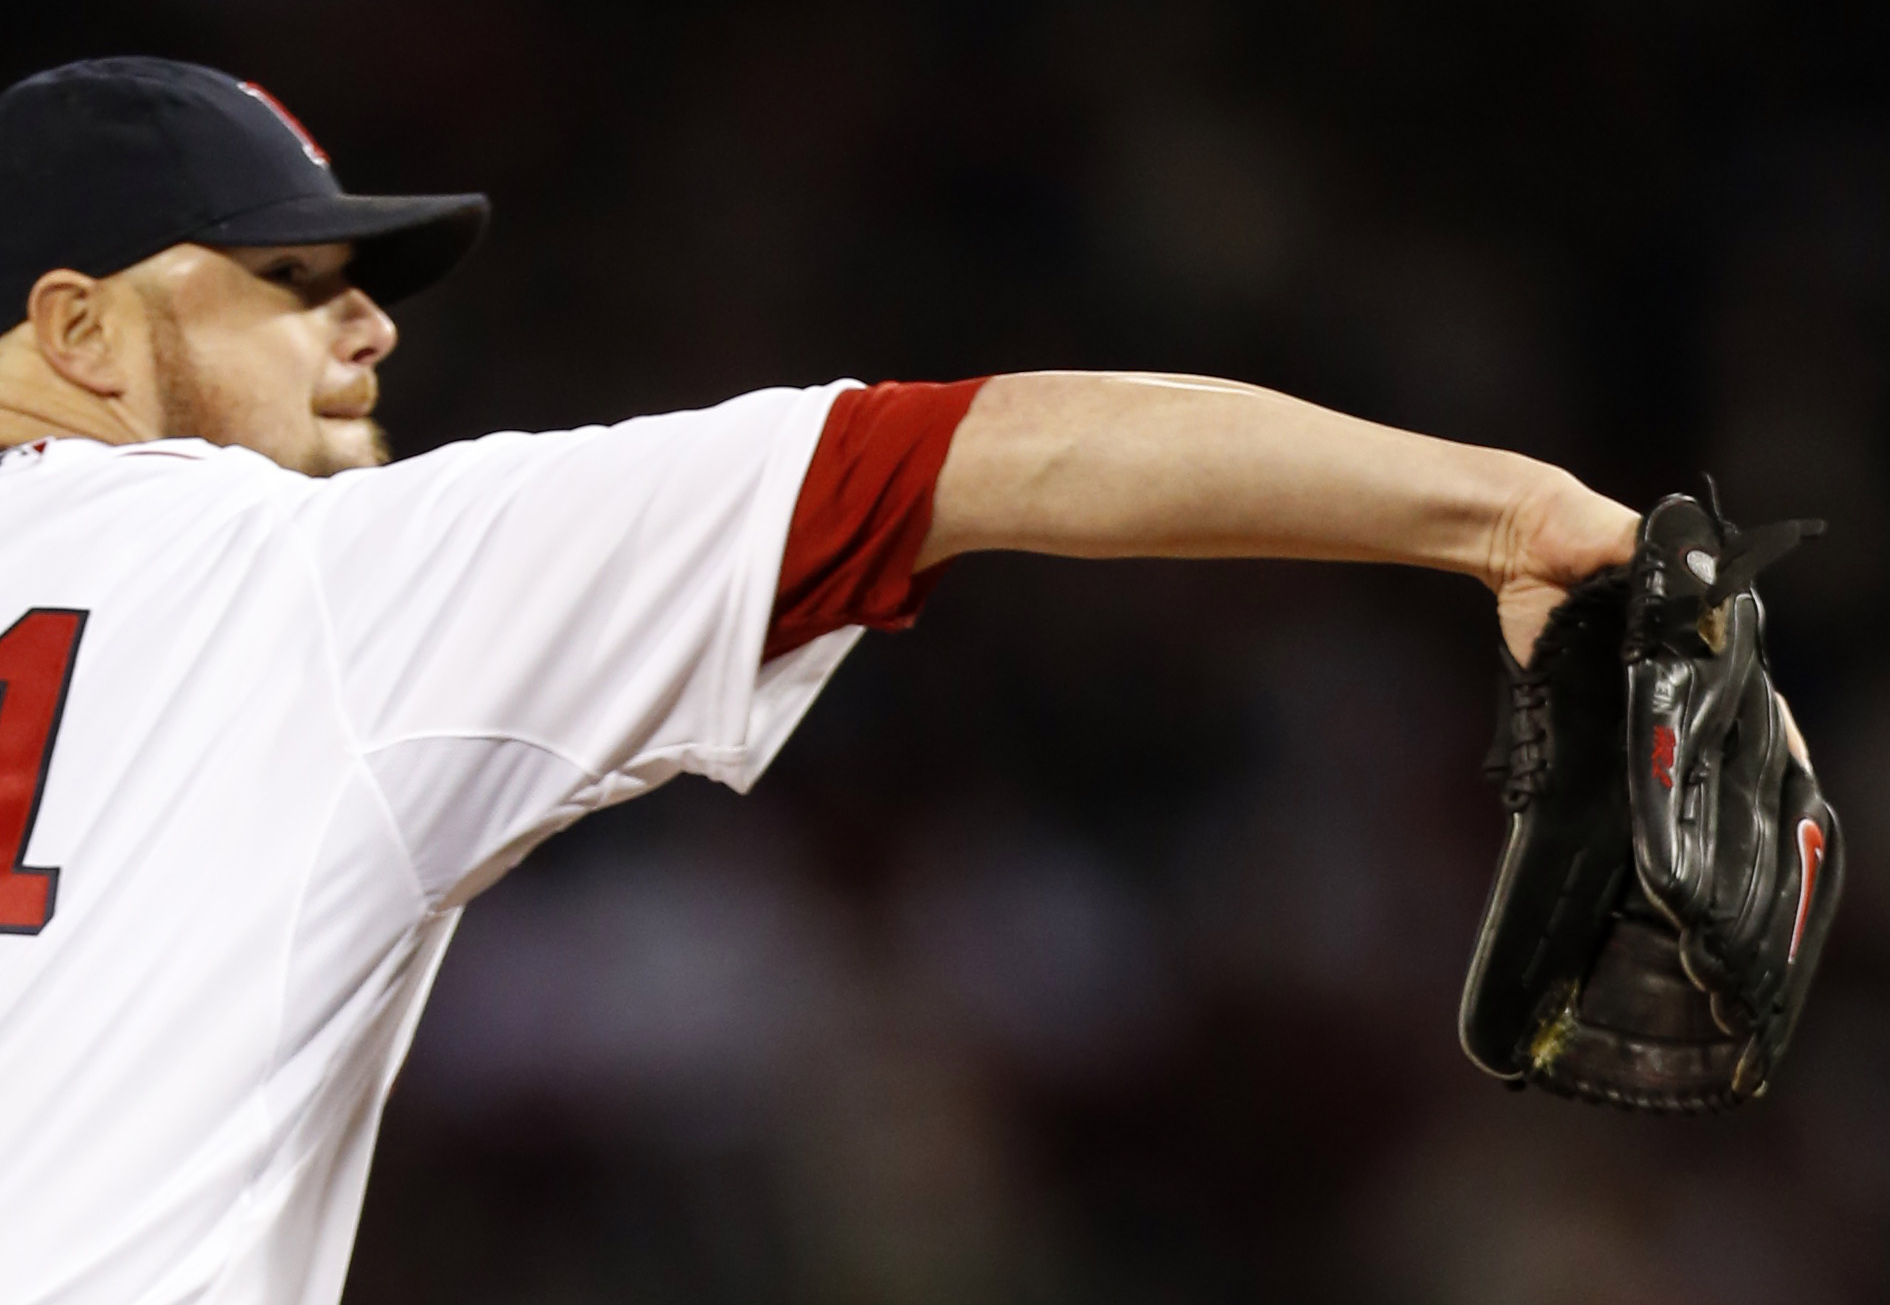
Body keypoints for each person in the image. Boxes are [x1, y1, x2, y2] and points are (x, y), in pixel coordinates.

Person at [0, 57, 1639, 1305]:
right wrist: (1514, 517)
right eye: (290, 282)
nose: (369, 330)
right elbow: (954, 457)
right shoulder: (296, 577)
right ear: (79, 332)